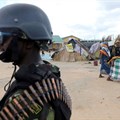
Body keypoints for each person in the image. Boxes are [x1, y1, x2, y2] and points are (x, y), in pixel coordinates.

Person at [0, 3, 71, 120]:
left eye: (4, 38)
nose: (1, 45)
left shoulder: (30, 90)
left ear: (28, 43)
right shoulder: (46, 74)